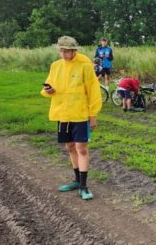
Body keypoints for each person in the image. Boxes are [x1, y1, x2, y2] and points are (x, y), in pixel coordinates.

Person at [41, 36, 101, 200]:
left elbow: (94, 91)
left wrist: (93, 114)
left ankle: (84, 186)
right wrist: (48, 90)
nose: (63, 53)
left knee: (81, 148)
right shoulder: (56, 66)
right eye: (61, 50)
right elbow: (48, 86)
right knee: (70, 147)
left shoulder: (85, 65)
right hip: (63, 113)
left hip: (80, 114)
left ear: (74, 50)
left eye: (66, 50)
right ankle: (76, 180)